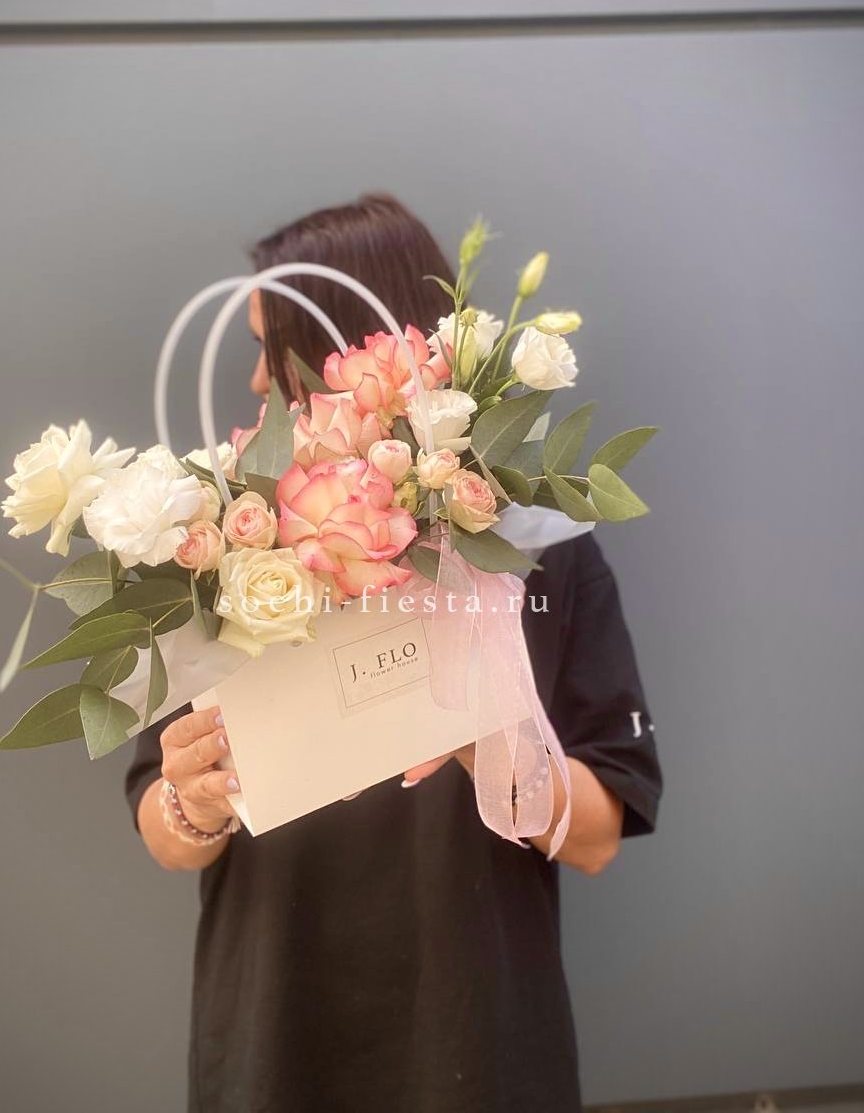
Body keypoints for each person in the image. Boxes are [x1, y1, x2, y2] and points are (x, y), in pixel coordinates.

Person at [125, 192, 664, 1113]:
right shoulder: (220, 544)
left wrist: (482, 733)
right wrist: (192, 800)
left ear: (353, 351)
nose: (253, 381)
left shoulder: (532, 551)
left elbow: (601, 837)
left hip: (478, 1044)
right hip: (271, 1039)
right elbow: (162, 829)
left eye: (269, 347)